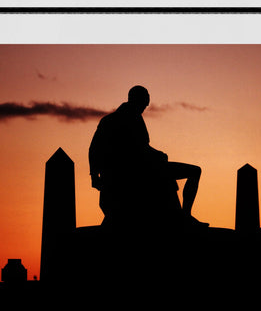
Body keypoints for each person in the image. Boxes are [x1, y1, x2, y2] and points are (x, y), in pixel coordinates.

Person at [89, 85, 208, 228]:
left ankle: (181, 215)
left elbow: (139, 147)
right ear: (136, 101)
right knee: (194, 171)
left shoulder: (113, 119)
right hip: (140, 172)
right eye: (143, 104)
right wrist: (95, 176)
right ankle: (185, 216)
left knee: (175, 171)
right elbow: (132, 149)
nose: (144, 108)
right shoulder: (123, 120)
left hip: (144, 168)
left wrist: (157, 154)